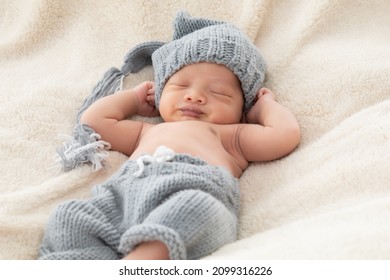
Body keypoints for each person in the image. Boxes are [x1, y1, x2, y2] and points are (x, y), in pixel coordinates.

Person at [39, 12, 300, 260]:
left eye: (219, 93)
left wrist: (266, 107)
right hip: (122, 195)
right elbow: (93, 122)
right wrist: (133, 99)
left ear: (242, 109)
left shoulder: (232, 136)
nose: (194, 96)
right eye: (180, 86)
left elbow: (284, 135)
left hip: (189, 190)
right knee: (69, 216)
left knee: (196, 210)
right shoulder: (147, 131)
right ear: (161, 92)